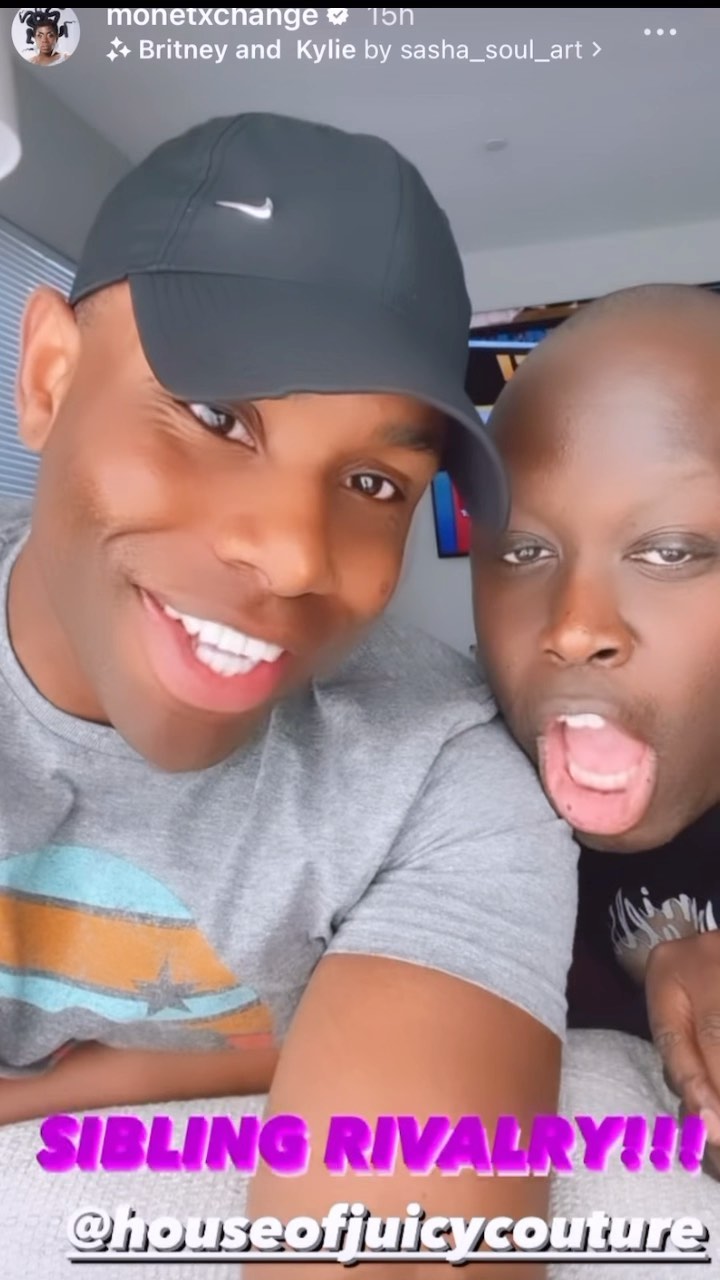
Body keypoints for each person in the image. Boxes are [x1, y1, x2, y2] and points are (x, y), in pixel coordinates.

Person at [0, 112, 577, 1276]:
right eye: (217, 415)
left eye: (372, 482)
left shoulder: (444, 780)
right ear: (49, 375)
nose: (296, 556)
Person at [471, 283, 720, 1178]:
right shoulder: (444, 782)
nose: (575, 628)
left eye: (671, 551)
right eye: (524, 551)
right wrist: (664, 952)